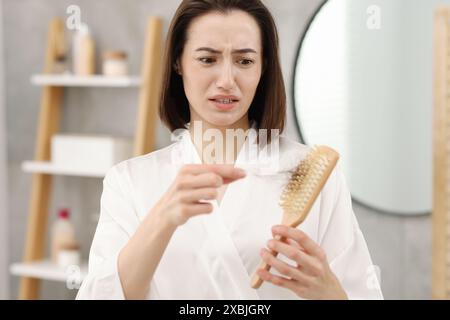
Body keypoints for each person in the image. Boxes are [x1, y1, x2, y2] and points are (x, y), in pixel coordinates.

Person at [76, 0, 383, 300]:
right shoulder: (129, 181)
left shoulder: (313, 176)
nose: (226, 81)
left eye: (244, 61)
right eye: (208, 59)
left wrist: (329, 294)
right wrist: (162, 220)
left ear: (263, 67)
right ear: (177, 62)